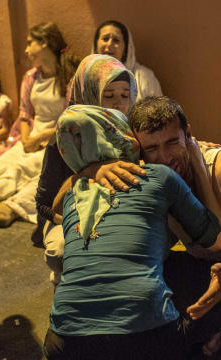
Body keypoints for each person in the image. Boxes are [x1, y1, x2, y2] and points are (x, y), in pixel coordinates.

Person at [92, 96, 221, 356]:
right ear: (139, 150)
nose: (165, 157)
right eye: (152, 148)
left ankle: (186, 333)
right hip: (200, 273)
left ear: (188, 134)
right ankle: (205, 328)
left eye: (172, 142)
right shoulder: (147, 176)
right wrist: (93, 171)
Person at [42, 104, 221, 360]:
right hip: (147, 337)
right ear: (124, 138)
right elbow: (215, 240)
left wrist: (85, 172)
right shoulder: (158, 176)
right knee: (206, 280)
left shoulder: (72, 193)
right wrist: (196, 161)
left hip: (63, 341)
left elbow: (54, 207)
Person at [0, 22, 79, 229]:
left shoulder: (70, 75)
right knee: (4, 163)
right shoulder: (31, 77)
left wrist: (39, 139)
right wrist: (26, 139)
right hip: (31, 136)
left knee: (26, 168)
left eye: (30, 43)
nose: (26, 49)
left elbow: (71, 116)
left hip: (58, 139)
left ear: (45, 43)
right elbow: (25, 113)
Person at [34, 54, 142, 278]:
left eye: (125, 95)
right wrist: (87, 175)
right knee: (64, 250)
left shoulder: (134, 131)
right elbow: (43, 206)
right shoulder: (67, 134)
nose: (119, 104)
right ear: (88, 94)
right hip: (69, 214)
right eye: (109, 95)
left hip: (123, 210)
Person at [93, 20, 163, 101]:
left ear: (126, 48)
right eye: (105, 39)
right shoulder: (85, 77)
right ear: (96, 45)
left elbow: (158, 112)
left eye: (116, 40)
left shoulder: (143, 77)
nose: (109, 44)